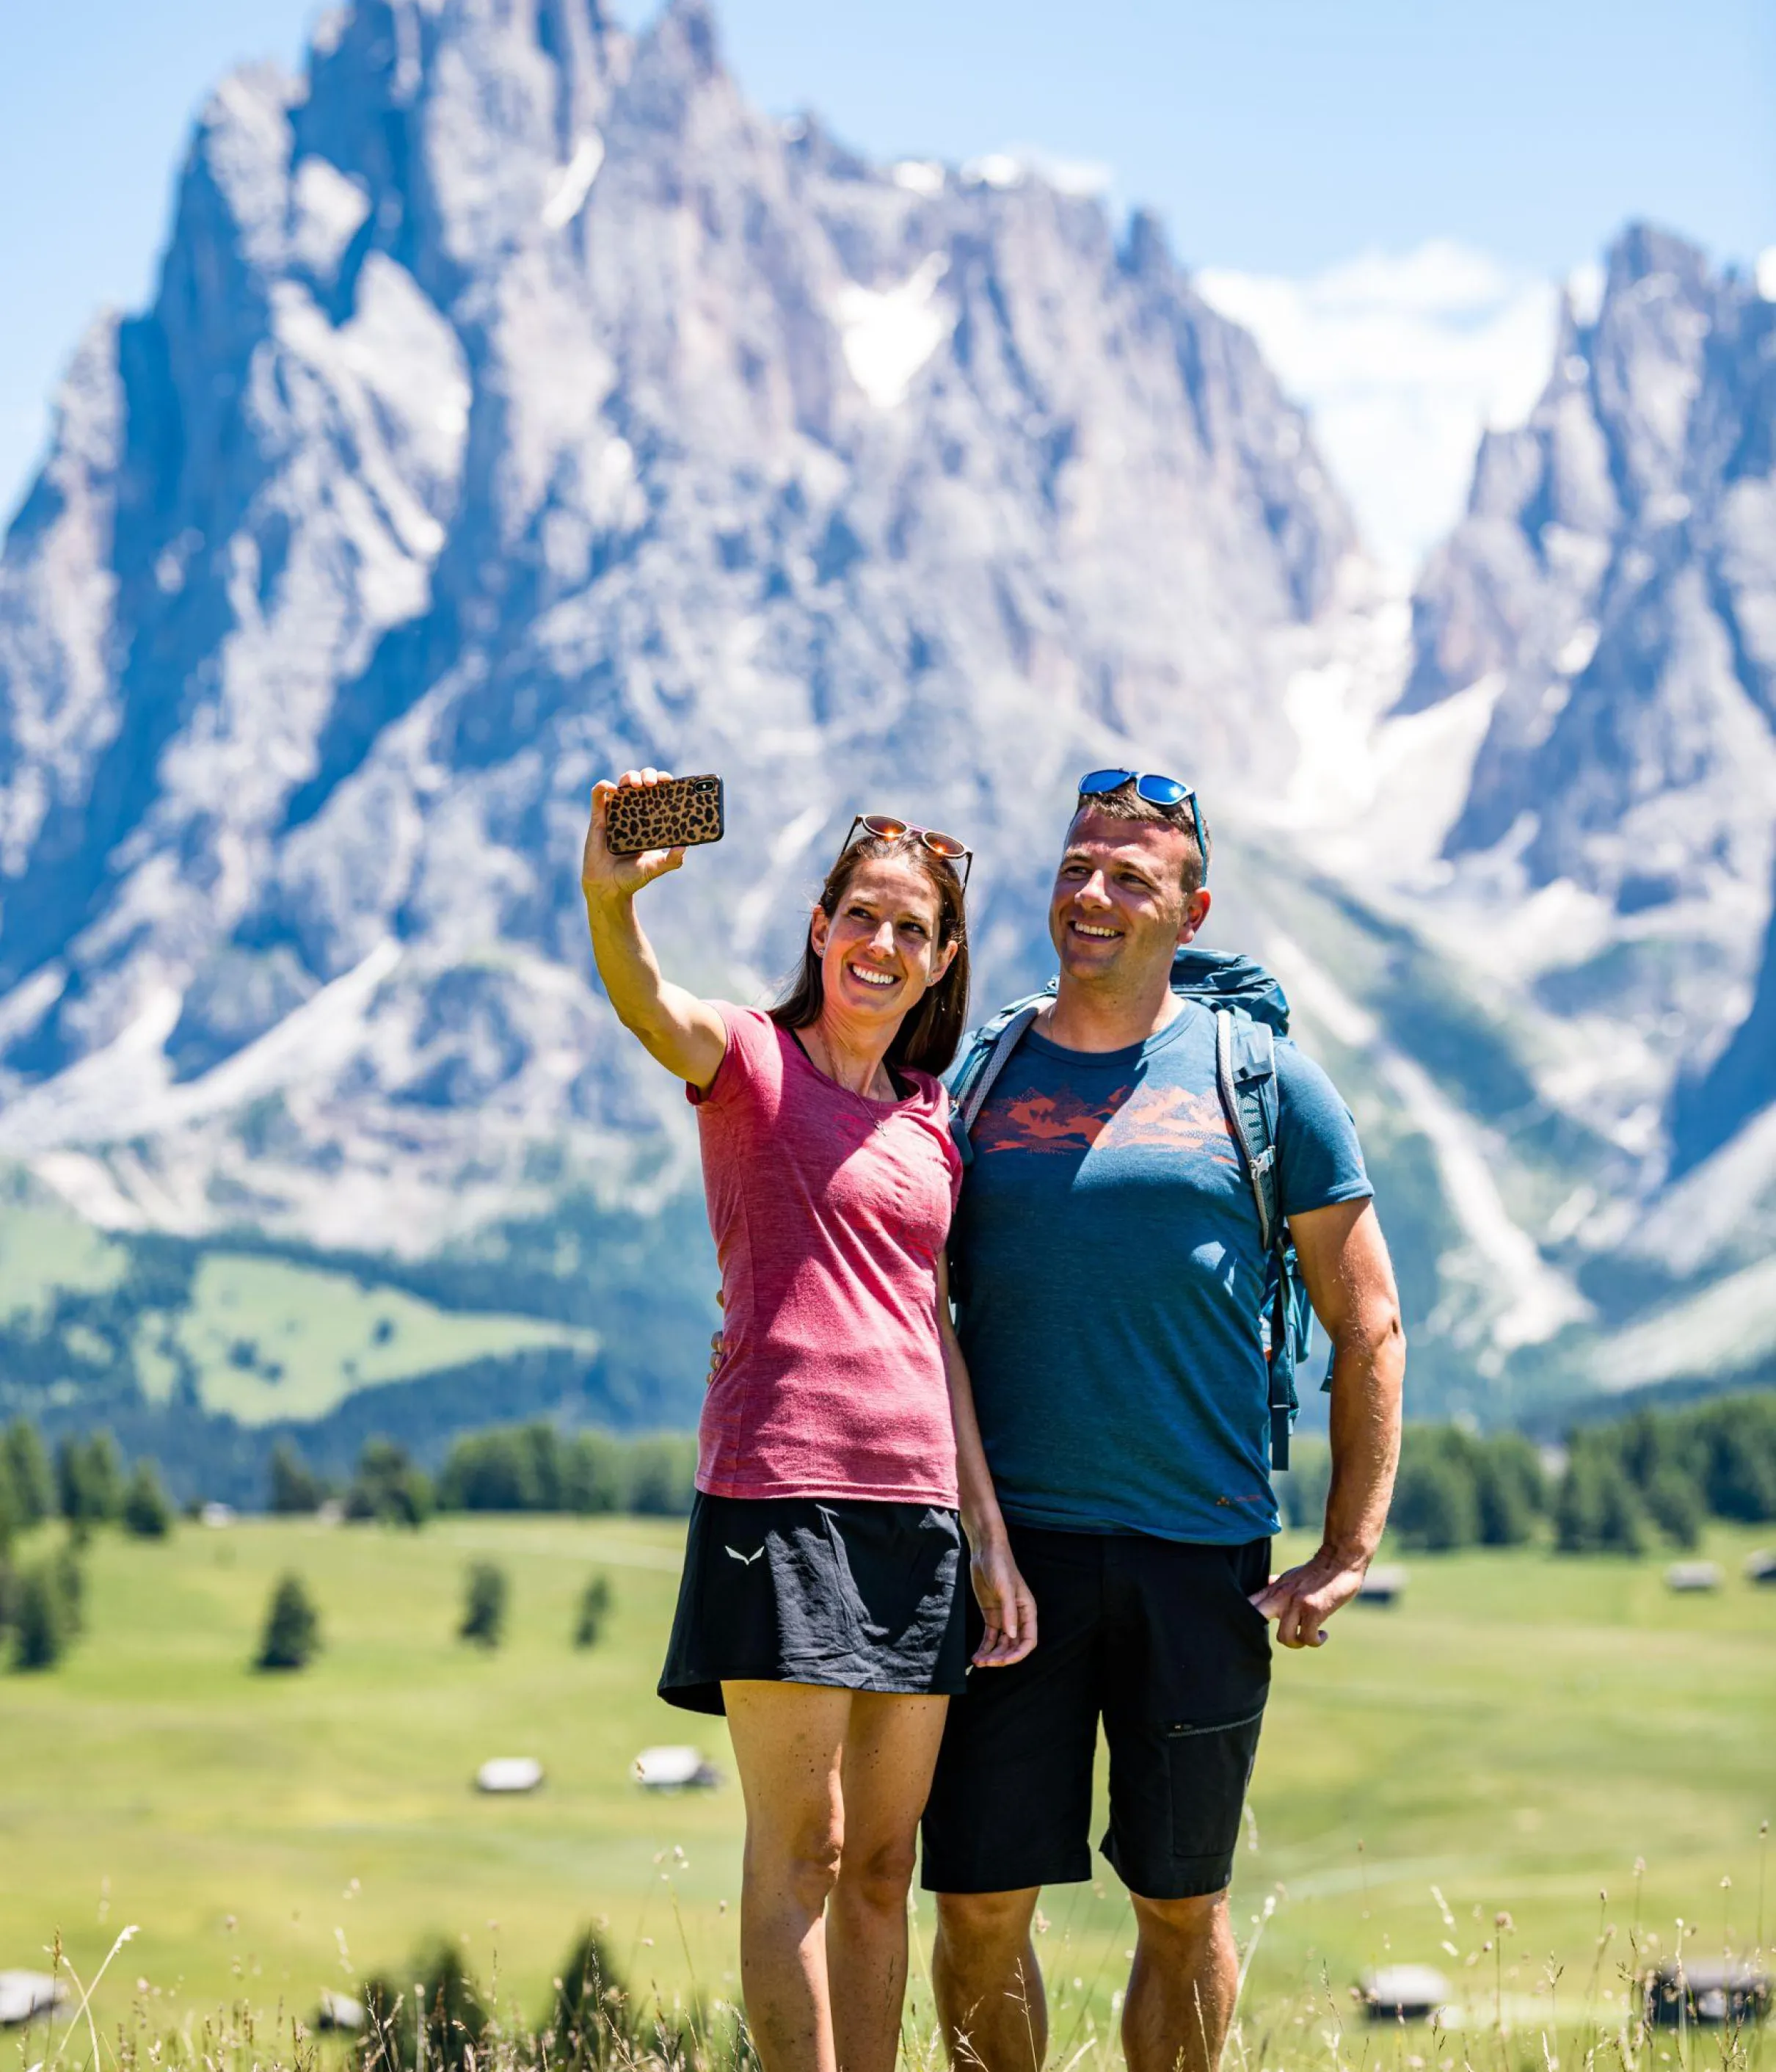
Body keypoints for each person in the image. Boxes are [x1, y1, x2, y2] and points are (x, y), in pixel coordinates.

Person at [921, 771, 1406, 2072]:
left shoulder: (1266, 1083)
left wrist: (1348, 1547)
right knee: (974, 1901)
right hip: (1004, 1559)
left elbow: (1367, 1321)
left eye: (1131, 877)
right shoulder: (980, 1070)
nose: (1094, 895)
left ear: (1191, 912)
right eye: (1079, 866)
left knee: (1182, 1907)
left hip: (1202, 1555)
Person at [580, 770, 1037, 2072]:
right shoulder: (750, 1060)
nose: (880, 945)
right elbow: (647, 1005)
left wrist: (987, 1532)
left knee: (888, 1863)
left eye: (910, 929)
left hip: (919, 1524)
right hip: (779, 1500)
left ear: (940, 959)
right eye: (861, 917)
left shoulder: (932, 1120)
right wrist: (610, 902)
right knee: (807, 1849)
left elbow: (931, 1326)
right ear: (819, 924)